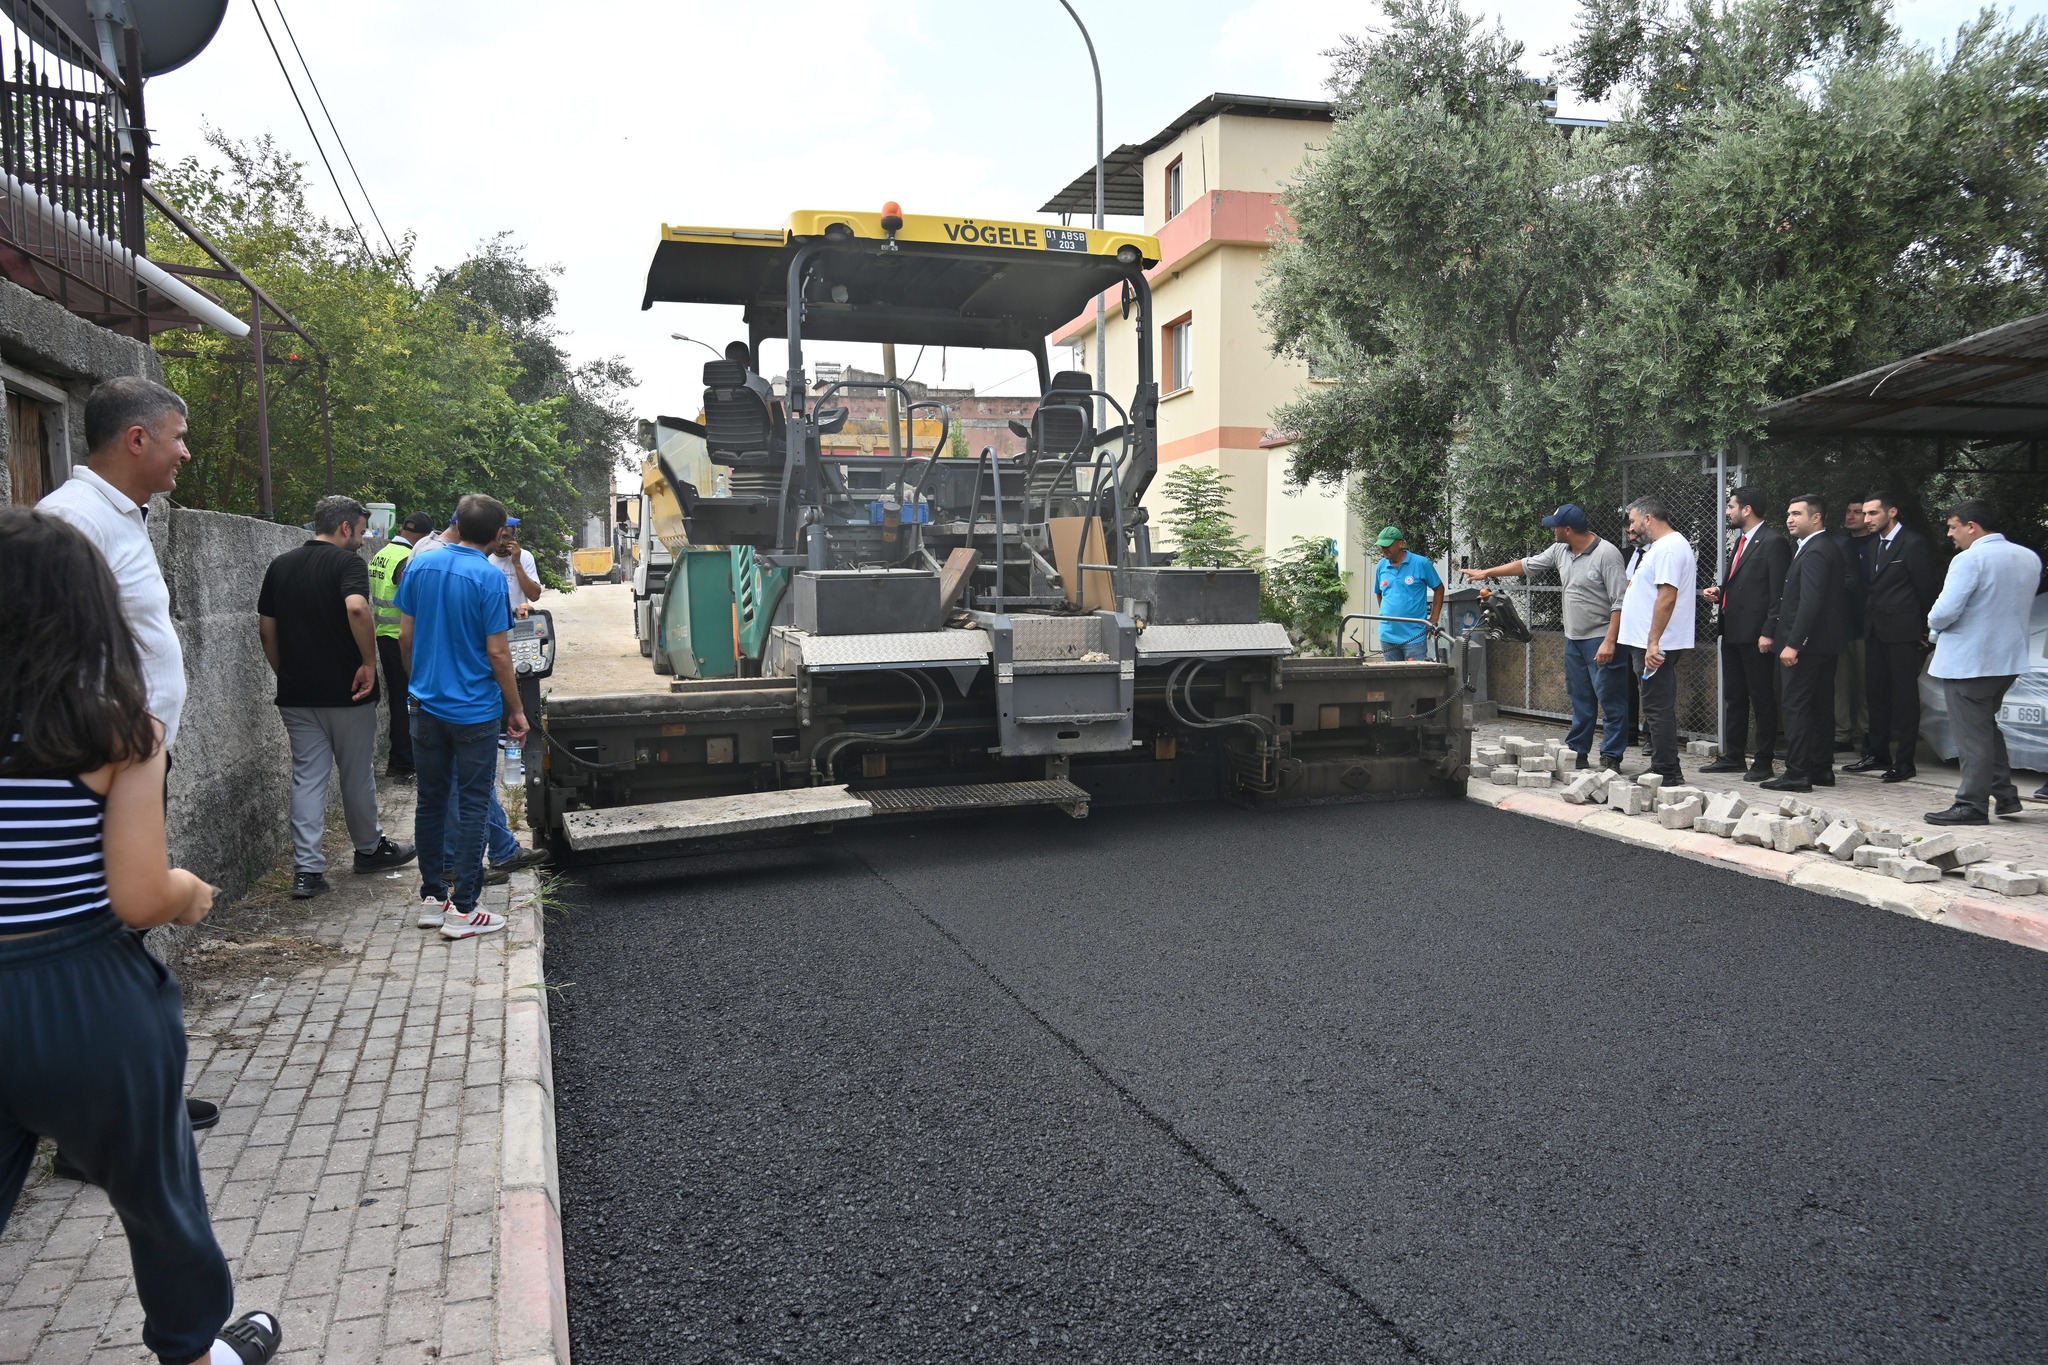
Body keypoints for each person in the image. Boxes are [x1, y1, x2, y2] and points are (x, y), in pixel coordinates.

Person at [0, 507, 282, 1365]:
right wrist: (189, 894)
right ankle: (196, 1352)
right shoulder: (119, 728)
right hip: (86, 997)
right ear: (87, 609)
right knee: (159, 1195)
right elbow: (136, 895)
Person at [36, 376, 220, 1139]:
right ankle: (106, 1119)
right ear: (135, 439)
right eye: (176, 436)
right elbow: (54, 649)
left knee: (124, 936)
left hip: (130, 760)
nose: (185, 451)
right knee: (112, 935)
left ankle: (116, 1103)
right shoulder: (71, 521)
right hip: (100, 764)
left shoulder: (120, 515)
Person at [257, 496, 417, 899]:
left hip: (297, 693)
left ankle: (307, 872)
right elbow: (357, 609)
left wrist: (284, 672)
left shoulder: (280, 565)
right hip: (348, 691)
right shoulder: (347, 565)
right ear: (345, 527)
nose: (363, 541)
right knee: (356, 772)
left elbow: (266, 629)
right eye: (362, 532)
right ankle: (369, 850)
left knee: (307, 777)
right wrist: (367, 661)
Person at [395, 493, 530, 937]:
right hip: (473, 711)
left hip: (424, 707)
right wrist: (516, 709)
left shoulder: (420, 564)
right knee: (473, 805)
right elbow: (498, 652)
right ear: (496, 535)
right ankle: (465, 909)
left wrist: (418, 688)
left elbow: (406, 636)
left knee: (431, 801)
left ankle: (433, 899)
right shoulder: (488, 578)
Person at [1465, 503, 1628, 769]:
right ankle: (1577, 753)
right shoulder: (1560, 550)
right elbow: (1526, 566)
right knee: (1580, 699)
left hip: (1600, 638)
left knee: (1611, 699)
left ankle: (1611, 756)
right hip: (1573, 639)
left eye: (1554, 526)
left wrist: (1610, 641)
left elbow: (1620, 602)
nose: (1551, 530)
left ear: (1567, 529)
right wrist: (1487, 572)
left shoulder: (1607, 554)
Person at [1921, 498, 2042, 825]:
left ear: (1971, 526)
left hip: (1969, 663)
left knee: (1971, 736)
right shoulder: (2027, 557)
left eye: (1952, 526)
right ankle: (2004, 795)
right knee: (1984, 728)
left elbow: (1944, 611)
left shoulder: (1969, 559)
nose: (1949, 533)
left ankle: (1971, 805)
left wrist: (1932, 623)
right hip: (2008, 660)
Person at [1701, 486, 1793, 781]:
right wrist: (1721, 590)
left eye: (1730, 506)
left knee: (1761, 697)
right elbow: (1743, 582)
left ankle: (1763, 760)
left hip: (1757, 636)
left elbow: (1778, 592)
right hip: (1732, 631)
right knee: (1734, 697)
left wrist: (1769, 631)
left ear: (1747, 509)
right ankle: (1733, 756)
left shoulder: (1773, 542)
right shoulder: (1740, 541)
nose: (1727, 512)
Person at [1845, 491, 1937, 784]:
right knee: (1876, 694)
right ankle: (1877, 753)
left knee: (1905, 697)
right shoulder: (1874, 545)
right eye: (1865, 514)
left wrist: (1924, 630)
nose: (1866, 519)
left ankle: (1905, 761)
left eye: (1873, 513)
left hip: (1903, 632)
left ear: (1892, 512)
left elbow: (1925, 591)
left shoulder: (1913, 544)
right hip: (1874, 630)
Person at [1760, 494, 1849, 792]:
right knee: (1820, 706)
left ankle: (1797, 772)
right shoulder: (1820, 547)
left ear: (1817, 518)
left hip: (1807, 646)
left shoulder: (1816, 551)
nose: (1789, 519)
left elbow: (1811, 602)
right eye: (1788, 513)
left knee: (1796, 706)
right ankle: (1821, 768)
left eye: (1796, 513)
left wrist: (1794, 643)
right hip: (1822, 644)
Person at [1616, 496, 1696, 784]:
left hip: (1656, 645)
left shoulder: (1670, 549)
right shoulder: (1660, 548)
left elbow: (1666, 597)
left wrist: (1653, 643)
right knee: (1655, 706)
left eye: (1634, 521)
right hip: (1648, 642)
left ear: (1648, 519)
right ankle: (1663, 766)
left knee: (1657, 707)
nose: (1631, 527)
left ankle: (1667, 771)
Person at [369, 512, 436, 780]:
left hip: (385, 635)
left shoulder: (382, 553)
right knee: (406, 701)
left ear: (402, 528)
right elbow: (414, 595)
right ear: (425, 536)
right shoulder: (406, 560)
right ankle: (403, 764)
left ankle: (401, 762)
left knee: (399, 698)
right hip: (402, 638)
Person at [1831, 496, 1876, 755]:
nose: (1852, 516)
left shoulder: (1877, 544)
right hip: (1841, 625)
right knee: (1839, 684)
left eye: (1858, 512)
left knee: (1867, 682)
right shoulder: (1837, 543)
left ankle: (1869, 733)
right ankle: (1841, 734)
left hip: (1865, 624)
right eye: (1849, 511)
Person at [1372, 526, 1443, 662]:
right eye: (1381, 546)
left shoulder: (1421, 563)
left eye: (1387, 545)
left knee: (1414, 680)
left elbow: (1439, 588)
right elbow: (1379, 593)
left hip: (1414, 636)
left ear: (1400, 544)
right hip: (1387, 635)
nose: (1384, 549)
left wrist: (1434, 618)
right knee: (1392, 679)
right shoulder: (1381, 566)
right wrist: (1386, 614)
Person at [490, 515, 543, 617]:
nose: (501, 542)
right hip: (494, 619)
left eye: (505, 537)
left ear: (513, 538)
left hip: (520, 618)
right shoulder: (483, 557)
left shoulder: (525, 556)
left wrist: (517, 563)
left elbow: (534, 596)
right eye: (497, 536)